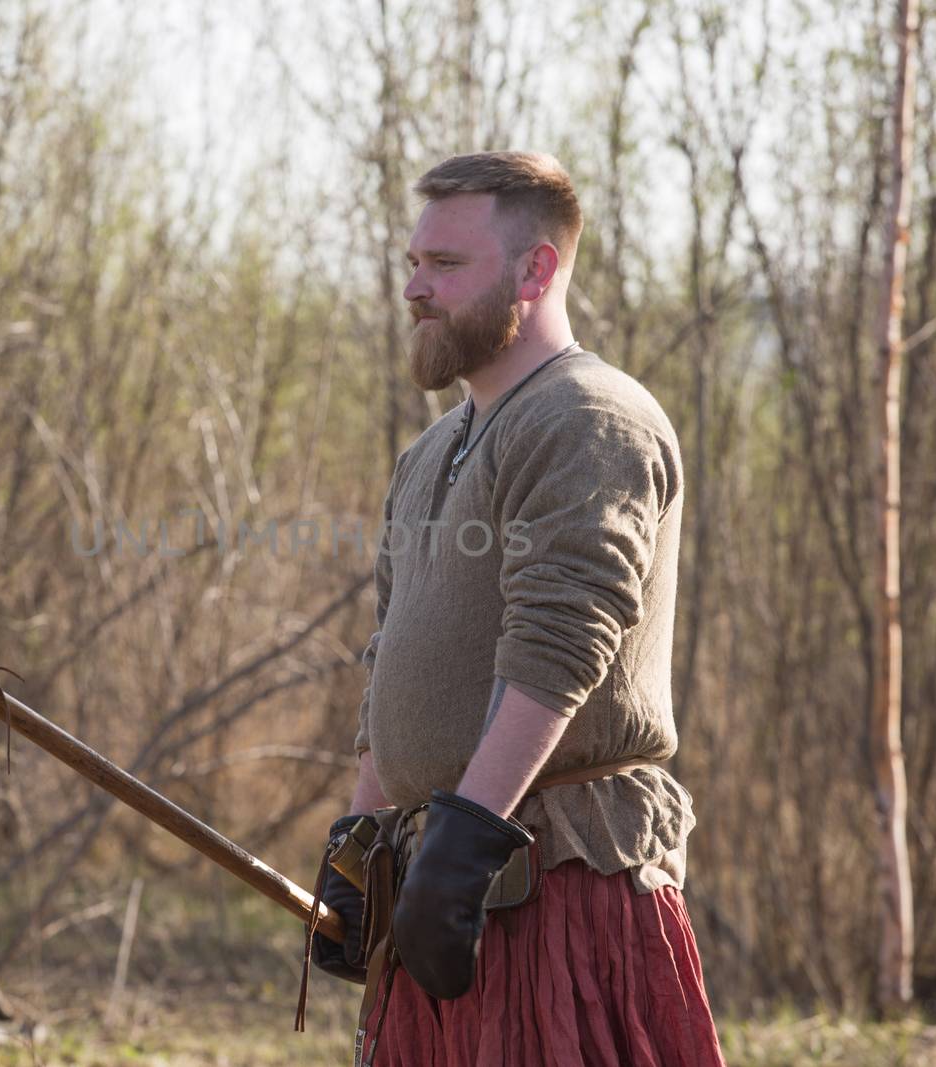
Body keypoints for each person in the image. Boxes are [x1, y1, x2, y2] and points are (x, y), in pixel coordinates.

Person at [309, 152, 727, 1066]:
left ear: (534, 270)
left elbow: (561, 641)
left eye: (446, 267)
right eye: (413, 264)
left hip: (562, 884)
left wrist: (465, 841)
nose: (416, 288)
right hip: (448, 877)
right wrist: (361, 840)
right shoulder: (430, 452)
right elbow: (394, 661)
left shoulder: (590, 416)